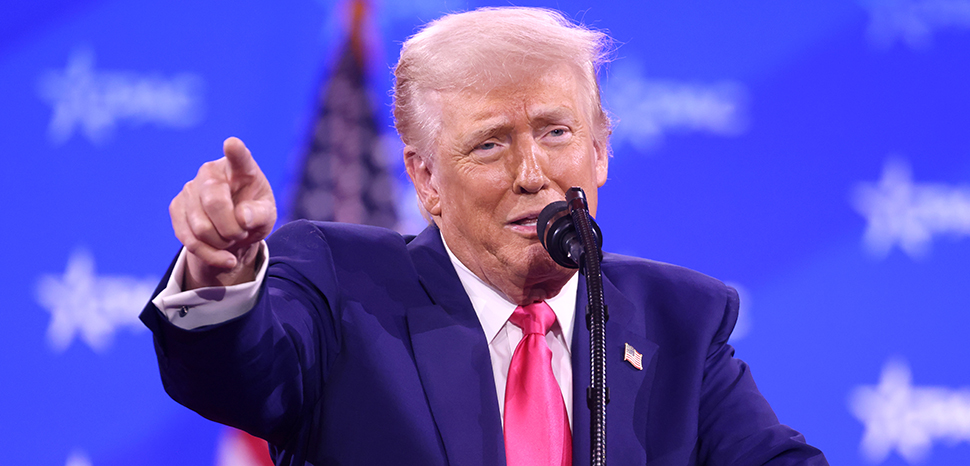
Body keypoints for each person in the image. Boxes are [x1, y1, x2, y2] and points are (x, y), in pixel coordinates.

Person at [141, 7, 828, 466]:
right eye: (491, 145)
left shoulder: (679, 321)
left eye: (556, 133)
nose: (532, 174)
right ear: (426, 178)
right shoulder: (341, 289)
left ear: (600, 151)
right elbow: (236, 376)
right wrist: (220, 277)